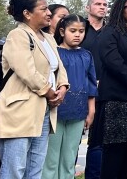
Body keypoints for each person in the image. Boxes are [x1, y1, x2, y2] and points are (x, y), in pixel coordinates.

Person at [0, 0, 69, 179]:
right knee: (14, 170)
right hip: (19, 110)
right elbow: (26, 71)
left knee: (35, 170)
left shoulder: (48, 38)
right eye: (44, 9)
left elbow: (59, 67)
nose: (49, 12)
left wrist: (63, 86)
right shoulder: (18, 35)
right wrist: (50, 92)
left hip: (44, 111)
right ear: (27, 13)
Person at [88, 0, 127, 179]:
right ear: (121, 9)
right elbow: (113, 60)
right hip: (117, 100)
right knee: (114, 153)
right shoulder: (111, 31)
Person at [43, 15, 97, 179]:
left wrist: (91, 110)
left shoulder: (87, 55)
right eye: (72, 31)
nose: (77, 35)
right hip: (55, 112)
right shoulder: (54, 53)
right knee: (50, 159)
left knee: (69, 158)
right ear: (62, 31)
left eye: (81, 31)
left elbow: (91, 84)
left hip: (79, 112)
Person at [80, 0, 108, 179]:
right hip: (79, 90)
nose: (102, 7)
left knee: (99, 141)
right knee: (73, 140)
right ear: (87, 7)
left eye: (105, 5)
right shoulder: (80, 29)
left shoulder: (111, 31)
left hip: (105, 91)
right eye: (98, 4)